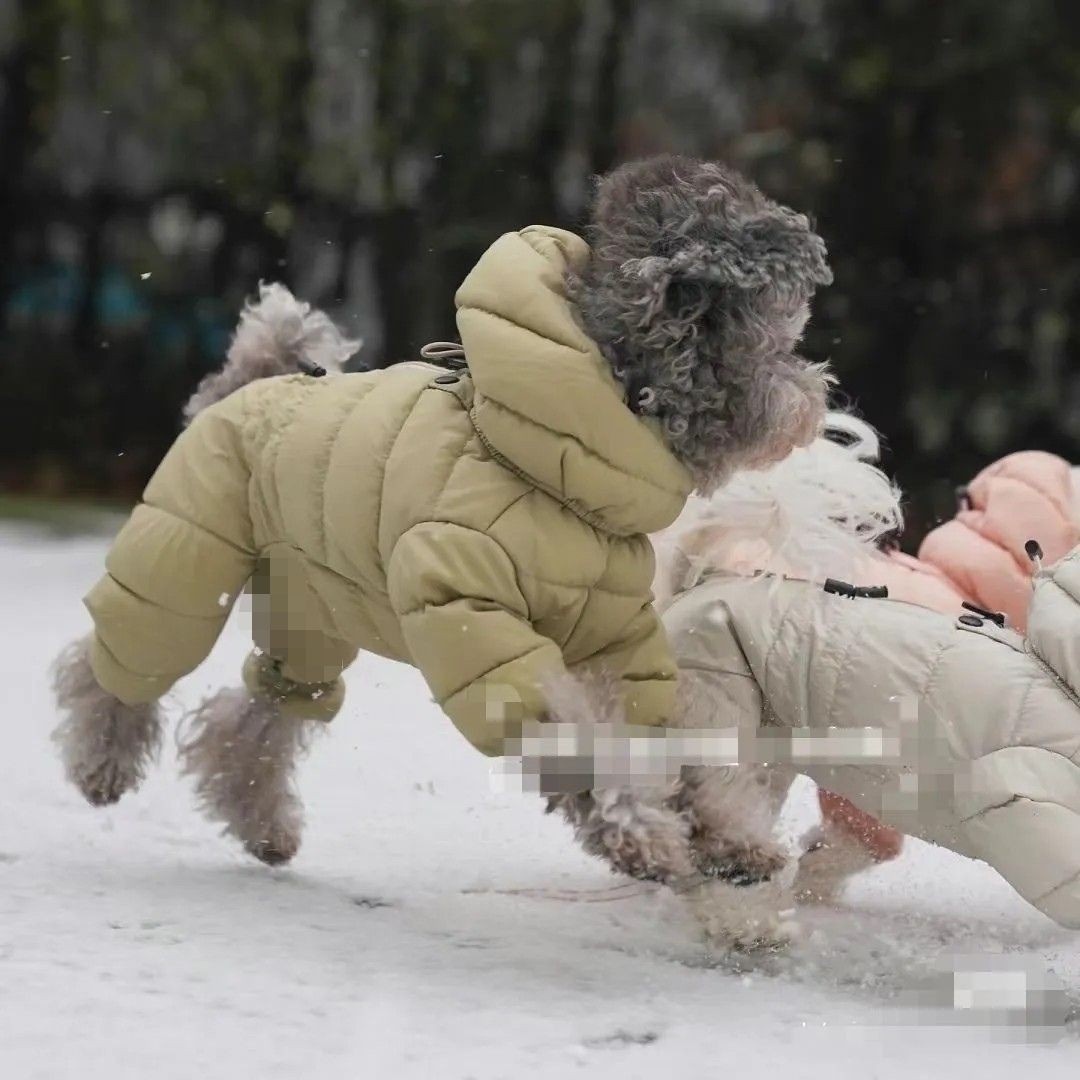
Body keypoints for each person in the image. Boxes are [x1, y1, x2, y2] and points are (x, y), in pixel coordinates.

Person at [52, 155, 833, 866]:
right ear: (688, 352)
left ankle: (240, 759)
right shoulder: (484, 491)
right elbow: (479, 651)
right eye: (777, 360)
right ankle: (100, 691)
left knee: (302, 658)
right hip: (246, 457)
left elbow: (623, 665)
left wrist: (686, 787)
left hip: (341, 526)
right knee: (150, 629)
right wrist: (598, 783)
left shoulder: (603, 499)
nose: (807, 388)